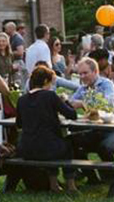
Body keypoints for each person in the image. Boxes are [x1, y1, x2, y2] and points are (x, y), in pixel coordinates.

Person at [13, 65, 81, 194]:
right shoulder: (50, 96)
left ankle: (54, 185)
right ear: (45, 81)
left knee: (51, 141)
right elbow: (72, 114)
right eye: (51, 82)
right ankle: (71, 185)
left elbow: (19, 124)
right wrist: (65, 101)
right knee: (67, 144)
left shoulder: (22, 100)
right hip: (48, 148)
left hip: (26, 149)